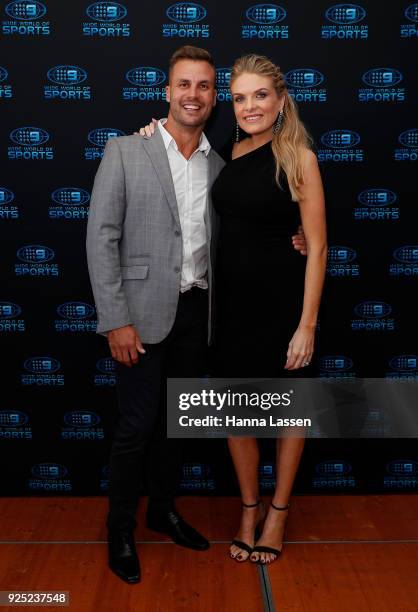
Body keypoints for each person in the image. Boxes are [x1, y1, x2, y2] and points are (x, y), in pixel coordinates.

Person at [87, 46, 308, 585]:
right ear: (166, 91)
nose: (193, 94)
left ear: (215, 99)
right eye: (183, 84)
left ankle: (162, 512)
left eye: (205, 86)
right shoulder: (124, 150)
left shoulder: (223, 161)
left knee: (174, 427)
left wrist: (294, 240)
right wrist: (115, 319)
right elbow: (101, 238)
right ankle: (120, 530)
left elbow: (255, 217)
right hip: (139, 316)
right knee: (135, 428)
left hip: (200, 315)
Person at [211, 55, 327, 565]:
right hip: (231, 306)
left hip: (282, 306)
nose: (249, 106)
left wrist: (307, 326)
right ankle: (248, 508)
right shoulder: (226, 149)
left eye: (260, 95)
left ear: (281, 100)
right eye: (239, 97)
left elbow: (318, 246)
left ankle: (278, 511)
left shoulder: (298, 157)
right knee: (237, 413)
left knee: (286, 413)